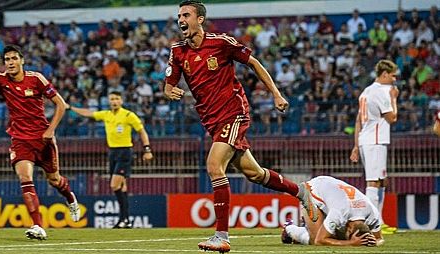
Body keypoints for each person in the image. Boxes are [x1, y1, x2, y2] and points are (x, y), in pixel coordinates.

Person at [165, 1, 317, 252]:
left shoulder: (222, 42)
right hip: (210, 120)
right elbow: (168, 84)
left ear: (199, 19)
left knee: (214, 166)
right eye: (179, 15)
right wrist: (170, 91)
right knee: (254, 173)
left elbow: (255, 63)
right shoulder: (178, 51)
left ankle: (222, 236)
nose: (181, 19)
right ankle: (300, 191)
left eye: (186, 14)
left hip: (233, 112)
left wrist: (276, 95)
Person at [0, 44, 80, 240]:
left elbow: (61, 104)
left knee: (54, 180)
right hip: (20, 139)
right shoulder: (1, 79)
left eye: (14, 58)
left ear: (22, 60)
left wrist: (50, 130)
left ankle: (70, 198)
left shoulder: (36, 78)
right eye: (7, 60)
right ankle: (38, 225)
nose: (10, 63)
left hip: (43, 138)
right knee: (25, 178)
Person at [67, 91, 153, 228]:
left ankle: (124, 219)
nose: (114, 101)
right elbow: (89, 113)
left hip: (125, 152)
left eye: (116, 99)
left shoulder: (128, 115)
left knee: (114, 185)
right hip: (112, 152)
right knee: (121, 186)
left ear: (121, 101)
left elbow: (141, 131)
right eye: (112, 99)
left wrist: (147, 149)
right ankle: (125, 220)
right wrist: (71, 108)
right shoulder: (106, 114)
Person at [350, 59, 399, 235]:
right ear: (384, 74)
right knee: (372, 181)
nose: (395, 79)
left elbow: (358, 120)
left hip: (367, 140)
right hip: (374, 141)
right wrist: (394, 99)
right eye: (393, 76)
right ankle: (373, 224)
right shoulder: (380, 93)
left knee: (381, 181)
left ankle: (379, 220)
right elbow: (392, 118)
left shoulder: (366, 92)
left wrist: (356, 145)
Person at [281, 176, 383, 246]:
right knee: (314, 238)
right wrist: (351, 243)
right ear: (350, 229)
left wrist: (374, 242)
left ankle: (308, 226)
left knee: (334, 235)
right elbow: (319, 240)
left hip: (329, 189)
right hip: (311, 191)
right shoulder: (339, 213)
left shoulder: (373, 214)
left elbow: (379, 238)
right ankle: (289, 229)